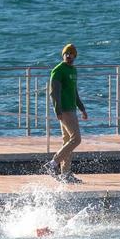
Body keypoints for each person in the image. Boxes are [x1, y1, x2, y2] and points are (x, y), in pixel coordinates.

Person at [44, 43, 88, 184]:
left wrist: (82, 108)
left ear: (75, 56)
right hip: (64, 110)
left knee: (67, 141)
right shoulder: (58, 70)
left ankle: (66, 174)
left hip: (72, 108)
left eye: (71, 54)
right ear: (63, 55)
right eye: (66, 54)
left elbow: (74, 92)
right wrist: (57, 109)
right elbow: (53, 92)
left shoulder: (73, 70)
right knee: (76, 139)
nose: (69, 56)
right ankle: (52, 164)